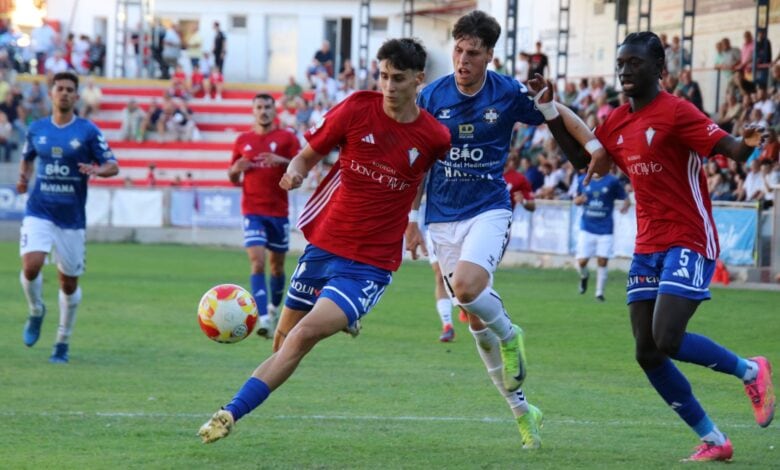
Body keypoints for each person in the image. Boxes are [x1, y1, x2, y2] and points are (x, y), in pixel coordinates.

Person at [198, 37, 451, 444]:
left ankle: (229, 412)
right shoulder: (355, 108)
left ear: (419, 80)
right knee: (281, 343)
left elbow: (422, 177)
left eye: (398, 79)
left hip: (368, 265)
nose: (388, 86)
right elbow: (308, 154)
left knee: (301, 337)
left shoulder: (435, 136)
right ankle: (341, 315)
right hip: (324, 244)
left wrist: (414, 218)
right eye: (383, 76)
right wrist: (296, 172)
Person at [578, 31, 775, 462]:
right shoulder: (614, 121)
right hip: (648, 243)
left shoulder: (677, 111)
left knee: (666, 337)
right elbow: (584, 161)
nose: (625, 70)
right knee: (646, 351)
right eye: (622, 62)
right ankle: (714, 439)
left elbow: (732, 150)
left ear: (659, 68)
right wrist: (549, 111)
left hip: (689, 235)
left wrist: (749, 140)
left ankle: (751, 370)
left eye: (635, 62)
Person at [416, 10, 603, 450]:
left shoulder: (507, 92)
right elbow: (417, 158)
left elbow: (559, 112)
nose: (462, 59)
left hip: (488, 209)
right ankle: (522, 411)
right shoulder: (430, 97)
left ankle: (511, 333)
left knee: (465, 288)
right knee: (474, 322)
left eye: (472, 53)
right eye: (458, 50)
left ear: (489, 56)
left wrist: (593, 145)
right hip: (441, 217)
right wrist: (409, 219)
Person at [17, 71, 119, 363]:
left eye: (69, 89)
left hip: (71, 219)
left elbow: (113, 165)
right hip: (39, 210)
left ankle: (62, 341)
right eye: (59, 88)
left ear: (76, 96)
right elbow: (27, 157)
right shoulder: (36, 129)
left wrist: (99, 170)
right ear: (51, 93)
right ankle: (36, 310)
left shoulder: (87, 131)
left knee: (68, 283)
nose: (64, 93)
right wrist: (24, 177)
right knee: (32, 264)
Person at [228, 93, 300, 339]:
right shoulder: (242, 141)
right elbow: (233, 177)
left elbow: (302, 165)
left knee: (276, 267)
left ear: (274, 110)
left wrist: (283, 161)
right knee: (257, 262)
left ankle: (273, 308)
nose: (263, 111)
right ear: (253, 111)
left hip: (278, 213)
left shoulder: (286, 138)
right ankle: (264, 317)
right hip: (252, 210)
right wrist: (235, 170)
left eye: (267, 107)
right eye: (259, 107)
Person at [572, 168, 629, 302]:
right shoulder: (582, 180)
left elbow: (625, 197)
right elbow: (576, 200)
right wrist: (579, 200)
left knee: (602, 260)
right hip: (587, 228)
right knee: (581, 262)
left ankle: (599, 293)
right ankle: (584, 276)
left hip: (605, 228)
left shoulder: (612, 181)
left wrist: (625, 206)